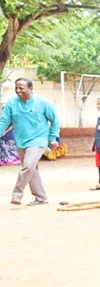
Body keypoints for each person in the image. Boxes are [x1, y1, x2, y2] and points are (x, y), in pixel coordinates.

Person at [0, 78, 60, 206]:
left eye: (21, 88)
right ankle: (41, 198)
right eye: (16, 88)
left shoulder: (42, 103)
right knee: (31, 169)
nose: (18, 90)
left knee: (28, 165)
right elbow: (3, 121)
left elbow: (54, 120)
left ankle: (17, 194)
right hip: (21, 141)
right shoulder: (11, 103)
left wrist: (52, 138)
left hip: (39, 139)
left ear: (30, 88)